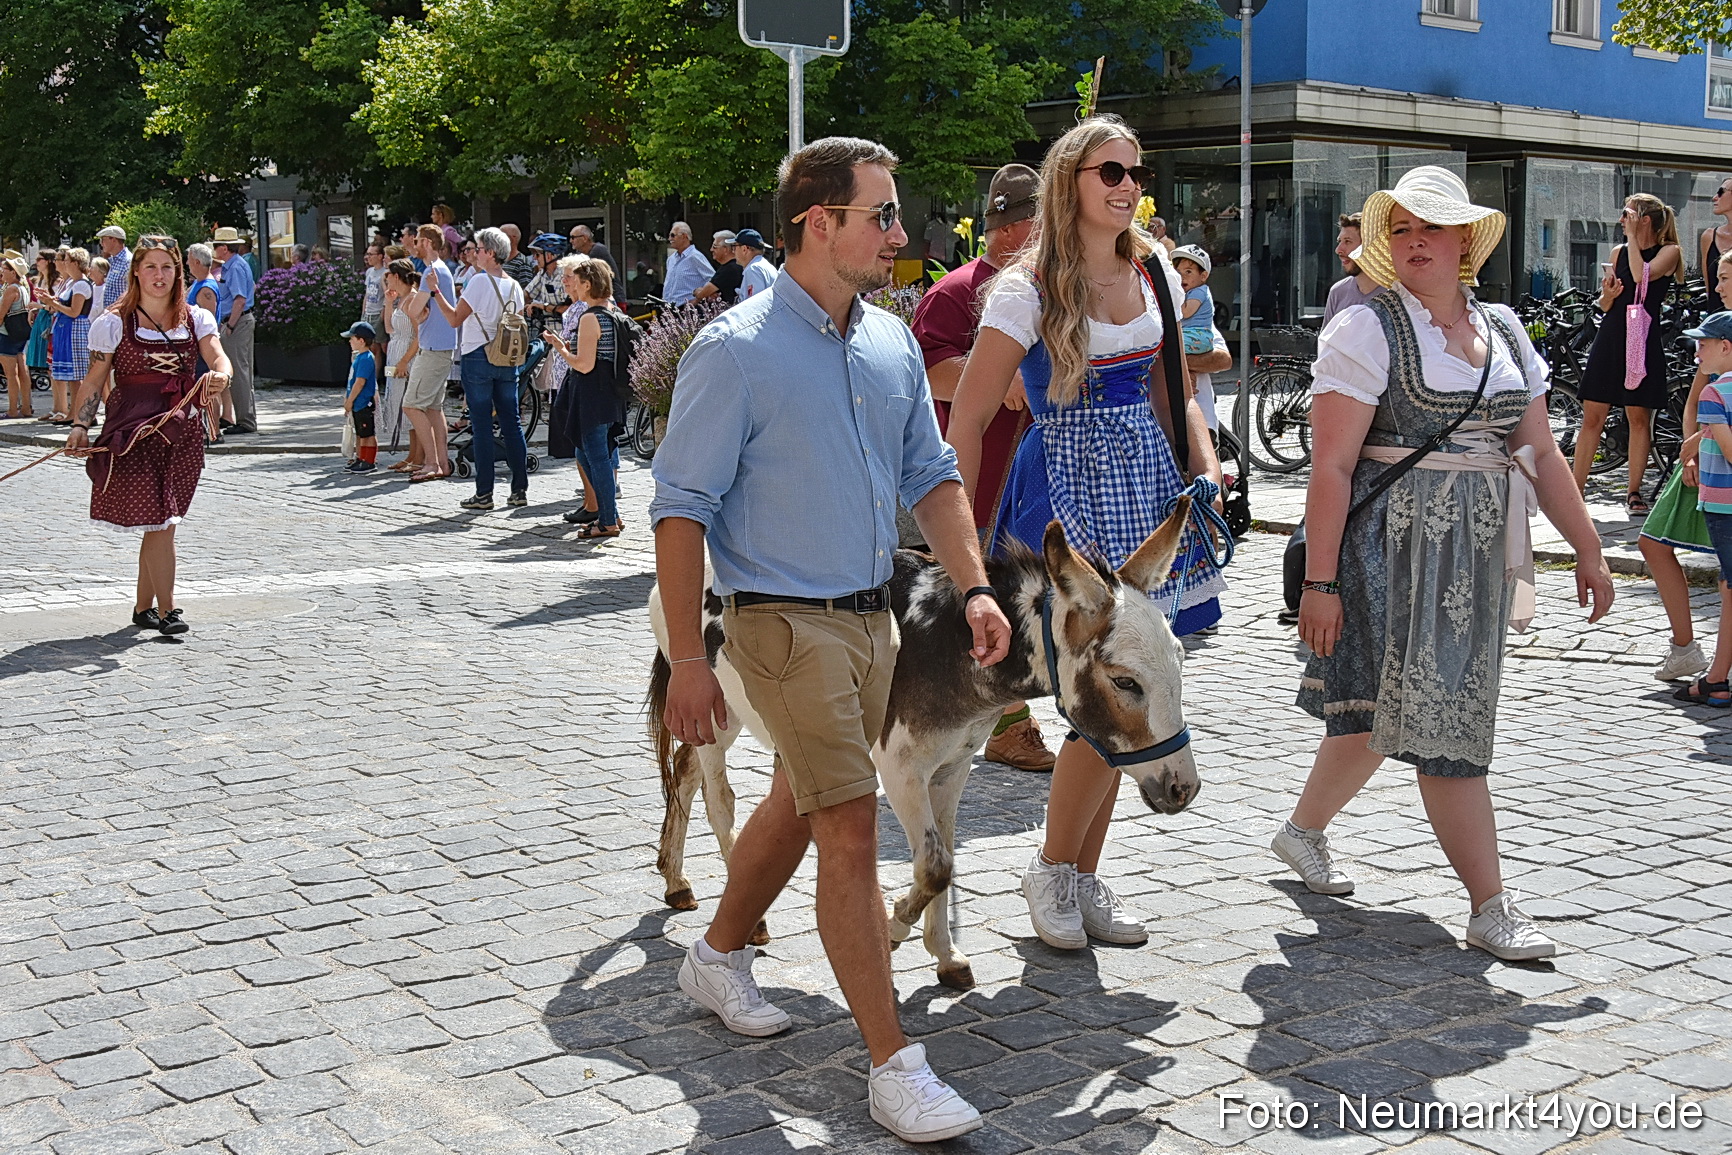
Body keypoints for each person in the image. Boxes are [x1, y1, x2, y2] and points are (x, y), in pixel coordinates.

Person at [652, 136, 1008, 1145]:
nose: (902, 235)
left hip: (873, 615)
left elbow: (934, 476)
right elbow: (678, 513)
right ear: (819, 222)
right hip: (776, 621)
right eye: (882, 215)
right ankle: (895, 1066)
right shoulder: (735, 350)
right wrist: (686, 658)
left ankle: (716, 954)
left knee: (800, 801)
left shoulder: (888, 342)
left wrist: (975, 590)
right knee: (851, 821)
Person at [1279, 165, 1614, 960]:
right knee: (1439, 721)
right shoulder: (1367, 327)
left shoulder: (1502, 327)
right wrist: (1320, 582)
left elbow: (1536, 447)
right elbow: (1331, 468)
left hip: (1472, 552)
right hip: (1388, 547)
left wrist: (1590, 547)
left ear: (1466, 239)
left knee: (1383, 709)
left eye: (1432, 225)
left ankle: (1301, 831)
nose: (1415, 239)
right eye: (1401, 227)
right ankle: (1490, 904)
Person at [948, 116, 1226, 954]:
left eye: (1136, 172)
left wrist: (1206, 460)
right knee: (1095, 698)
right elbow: (965, 416)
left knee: (1129, 687)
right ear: (1070, 178)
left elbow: (1172, 390)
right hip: (1063, 494)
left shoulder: (1152, 274)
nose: (1127, 185)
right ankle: (1053, 869)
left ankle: (1078, 873)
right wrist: (951, 541)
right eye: (1109, 170)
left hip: (1142, 485)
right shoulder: (1027, 287)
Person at [909, 162, 1053, 772]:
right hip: (982, 470)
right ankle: (1005, 722)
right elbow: (926, 368)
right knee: (984, 591)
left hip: (1033, 472)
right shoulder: (958, 290)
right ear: (1023, 227)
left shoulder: (1050, 285)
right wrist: (995, 377)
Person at [63, 236, 232, 636]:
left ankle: (143, 608)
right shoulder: (113, 322)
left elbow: (216, 354)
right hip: (134, 430)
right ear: (136, 271)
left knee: (163, 522)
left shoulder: (196, 318)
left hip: (181, 431)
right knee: (161, 520)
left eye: (167, 267)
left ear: (178, 272)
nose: (160, 275)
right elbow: (95, 379)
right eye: (151, 267)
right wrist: (79, 425)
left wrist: (222, 374)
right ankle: (168, 610)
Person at [1640, 249, 1730, 683]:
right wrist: (1690, 449)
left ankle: (1716, 666)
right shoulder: (1715, 334)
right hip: (1703, 454)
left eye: (1727, 278)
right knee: (1653, 542)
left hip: (1719, 454)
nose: (1719, 286)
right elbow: (1697, 396)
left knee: (1727, 573)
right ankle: (1685, 649)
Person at [1571, 193, 1682, 512]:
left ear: (1644, 220)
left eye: (1627, 214)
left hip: (1643, 338)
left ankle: (1634, 492)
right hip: (1612, 335)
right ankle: (1575, 490)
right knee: (1593, 415)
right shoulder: (1618, 251)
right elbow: (1606, 304)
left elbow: (1641, 275)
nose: (1621, 220)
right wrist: (1607, 295)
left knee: (1637, 416)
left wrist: (1633, 238)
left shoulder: (1669, 251)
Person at [426, 226, 529, 510]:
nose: (474, 254)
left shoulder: (480, 282)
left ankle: (484, 493)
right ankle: (519, 489)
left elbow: (455, 318)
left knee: (482, 426)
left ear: (491, 253)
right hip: (507, 358)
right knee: (512, 423)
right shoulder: (515, 286)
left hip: (478, 356)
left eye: (479, 249)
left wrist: (435, 291)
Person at [1673, 311, 1732, 708]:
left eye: (1704, 344)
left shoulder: (1714, 395)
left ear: (1726, 347)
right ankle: (1716, 675)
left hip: (1724, 506)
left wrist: (1701, 435)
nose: (1697, 353)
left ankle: (1716, 679)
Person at [544, 256, 626, 539]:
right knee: (587, 453)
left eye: (577, 282)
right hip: (608, 394)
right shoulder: (612, 311)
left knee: (596, 456)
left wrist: (560, 349)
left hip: (593, 395)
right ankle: (610, 513)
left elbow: (584, 364)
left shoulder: (590, 317)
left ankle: (607, 520)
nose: (573, 287)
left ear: (588, 284)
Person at [401, 226, 457, 482]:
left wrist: (413, 305)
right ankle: (442, 463)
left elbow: (412, 310)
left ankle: (432, 463)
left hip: (433, 348)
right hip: (441, 346)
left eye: (415, 240)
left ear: (425, 241)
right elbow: (418, 310)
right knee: (433, 408)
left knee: (412, 405)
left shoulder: (431, 271)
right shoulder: (440, 269)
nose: (412, 244)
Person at [210, 228, 257, 435]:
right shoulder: (235, 265)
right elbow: (252, 288)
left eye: (215, 246)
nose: (214, 250)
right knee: (239, 371)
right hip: (239, 321)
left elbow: (240, 299)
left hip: (236, 323)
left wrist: (229, 326)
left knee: (239, 372)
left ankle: (246, 421)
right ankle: (241, 417)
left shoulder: (235, 267)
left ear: (224, 248)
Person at [42, 247, 94, 425]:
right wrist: (50, 301)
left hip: (75, 329)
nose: (64, 263)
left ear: (76, 263)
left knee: (77, 375)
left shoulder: (81, 284)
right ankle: (73, 412)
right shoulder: (73, 283)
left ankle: (78, 413)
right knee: (72, 376)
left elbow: (74, 312)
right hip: (66, 329)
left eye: (68, 261)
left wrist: (52, 304)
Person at [380, 258, 421, 470]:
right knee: (401, 407)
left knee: (411, 407)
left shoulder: (413, 299)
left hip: (409, 357)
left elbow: (419, 335)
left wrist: (405, 360)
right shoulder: (401, 300)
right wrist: (388, 303)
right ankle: (411, 455)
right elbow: (389, 329)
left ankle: (418, 457)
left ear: (396, 277)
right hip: (397, 352)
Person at [184, 245, 223, 442]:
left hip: (203, 345)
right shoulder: (200, 284)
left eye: (189, 260)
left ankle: (214, 431)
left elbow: (209, 321)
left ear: (197, 262)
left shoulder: (206, 288)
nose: (187, 264)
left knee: (209, 385)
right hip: (198, 344)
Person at [1323, 212, 1385, 324]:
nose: (1338, 250)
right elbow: (1326, 341)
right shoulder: (1338, 292)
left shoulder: (1398, 293)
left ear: (1370, 246)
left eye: (1348, 241)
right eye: (1339, 241)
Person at [340, 322, 379, 473]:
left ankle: (369, 461)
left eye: (352, 338)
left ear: (361, 341)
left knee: (367, 433)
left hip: (363, 403)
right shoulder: (360, 357)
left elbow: (360, 382)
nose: (350, 341)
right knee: (361, 433)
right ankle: (361, 458)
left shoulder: (366, 358)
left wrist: (350, 400)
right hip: (358, 403)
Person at [1171, 243, 1216, 354]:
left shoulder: (1199, 291)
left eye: (1188, 272)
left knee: (1169, 346)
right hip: (1189, 334)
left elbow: (1186, 312)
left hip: (1198, 336)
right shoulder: (1190, 291)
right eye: (1178, 272)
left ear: (1203, 276)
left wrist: (1176, 293)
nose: (1182, 277)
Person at [0, 257, 31, 419]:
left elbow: (0, 315)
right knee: (22, 371)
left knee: (10, 374)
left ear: (13, 272)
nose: (1, 271)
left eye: (4, 269)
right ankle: (25, 407)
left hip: (7, 334)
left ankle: (12, 409)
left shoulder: (11, 289)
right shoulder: (23, 287)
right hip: (20, 334)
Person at [24, 251, 55, 406]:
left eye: (39, 259)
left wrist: (38, 306)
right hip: (41, 318)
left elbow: (54, 305)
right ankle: (57, 405)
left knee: (52, 363)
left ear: (48, 261)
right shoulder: (40, 280)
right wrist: (34, 310)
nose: (36, 262)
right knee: (48, 365)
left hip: (49, 320)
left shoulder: (55, 281)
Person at [567, 224, 623, 303]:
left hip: (613, 300)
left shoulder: (597, 251)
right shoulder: (582, 254)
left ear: (584, 238)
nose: (570, 241)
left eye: (573, 237)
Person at [662, 221, 713, 306]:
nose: (670, 239)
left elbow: (712, 279)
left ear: (684, 236)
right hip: (669, 310)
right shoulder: (671, 259)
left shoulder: (695, 257)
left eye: (673, 235)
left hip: (689, 310)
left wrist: (698, 299)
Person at [1700, 178, 1732, 310]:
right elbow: (1711, 290)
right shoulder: (1709, 237)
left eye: (1721, 192)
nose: (1714, 198)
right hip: (1716, 321)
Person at [692, 230, 741, 304]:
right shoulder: (735, 266)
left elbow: (702, 294)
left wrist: (696, 291)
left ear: (725, 249)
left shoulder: (729, 269)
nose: (711, 249)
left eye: (714, 247)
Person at [96, 226, 131, 316]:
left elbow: (132, 291)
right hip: (112, 317)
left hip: (122, 316)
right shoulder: (114, 261)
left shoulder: (128, 261)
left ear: (114, 240)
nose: (101, 244)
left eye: (103, 240)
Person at [735, 230, 778, 299]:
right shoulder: (766, 266)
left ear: (744, 249)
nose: (733, 251)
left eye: (735, 247)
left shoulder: (753, 269)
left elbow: (755, 305)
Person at [361, 241, 388, 331]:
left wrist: (382, 314)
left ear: (380, 256)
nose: (368, 257)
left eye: (371, 254)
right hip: (368, 313)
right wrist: (363, 312)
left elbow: (386, 295)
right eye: (367, 254)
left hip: (378, 312)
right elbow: (367, 293)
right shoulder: (369, 271)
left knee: (381, 342)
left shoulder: (385, 273)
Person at [499, 224, 536, 288]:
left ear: (512, 239)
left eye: (501, 236)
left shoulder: (522, 262)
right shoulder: (499, 260)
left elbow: (526, 291)